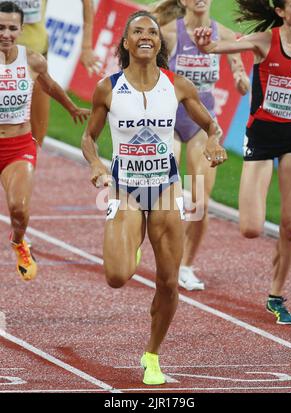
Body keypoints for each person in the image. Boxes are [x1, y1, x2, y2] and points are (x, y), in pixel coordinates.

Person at [81, 10, 227, 385]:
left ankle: (152, 354)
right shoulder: (108, 88)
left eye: (151, 31)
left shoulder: (177, 85)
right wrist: (96, 164)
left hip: (165, 188)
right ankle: (132, 245)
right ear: (126, 43)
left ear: (159, 43)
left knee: (168, 282)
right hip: (126, 189)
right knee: (116, 277)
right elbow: (89, 137)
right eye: (137, 32)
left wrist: (213, 139)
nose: (146, 36)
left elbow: (210, 122)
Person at [194, 0, 291, 324]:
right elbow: (220, 46)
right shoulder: (267, 40)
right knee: (251, 228)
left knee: (290, 224)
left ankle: (276, 295)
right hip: (262, 137)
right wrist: (205, 43)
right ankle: (276, 261)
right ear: (281, 12)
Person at [151, 0, 250, 291]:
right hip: (170, 119)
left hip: (203, 124)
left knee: (200, 204)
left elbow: (239, 74)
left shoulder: (227, 36)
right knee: (164, 195)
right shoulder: (167, 32)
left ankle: (186, 266)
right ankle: (142, 242)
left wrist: (241, 79)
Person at [0, 2, 90, 281]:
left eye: (12, 28)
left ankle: (19, 242)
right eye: (0, 27)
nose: (6, 34)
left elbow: (50, 85)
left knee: (19, 209)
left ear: (21, 29)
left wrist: (72, 107)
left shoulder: (33, 60)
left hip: (17, 147)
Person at [0, 0, 100, 146]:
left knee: (36, 137)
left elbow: (87, 2)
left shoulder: (35, 62)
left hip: (34, 58)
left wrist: (86, 46)